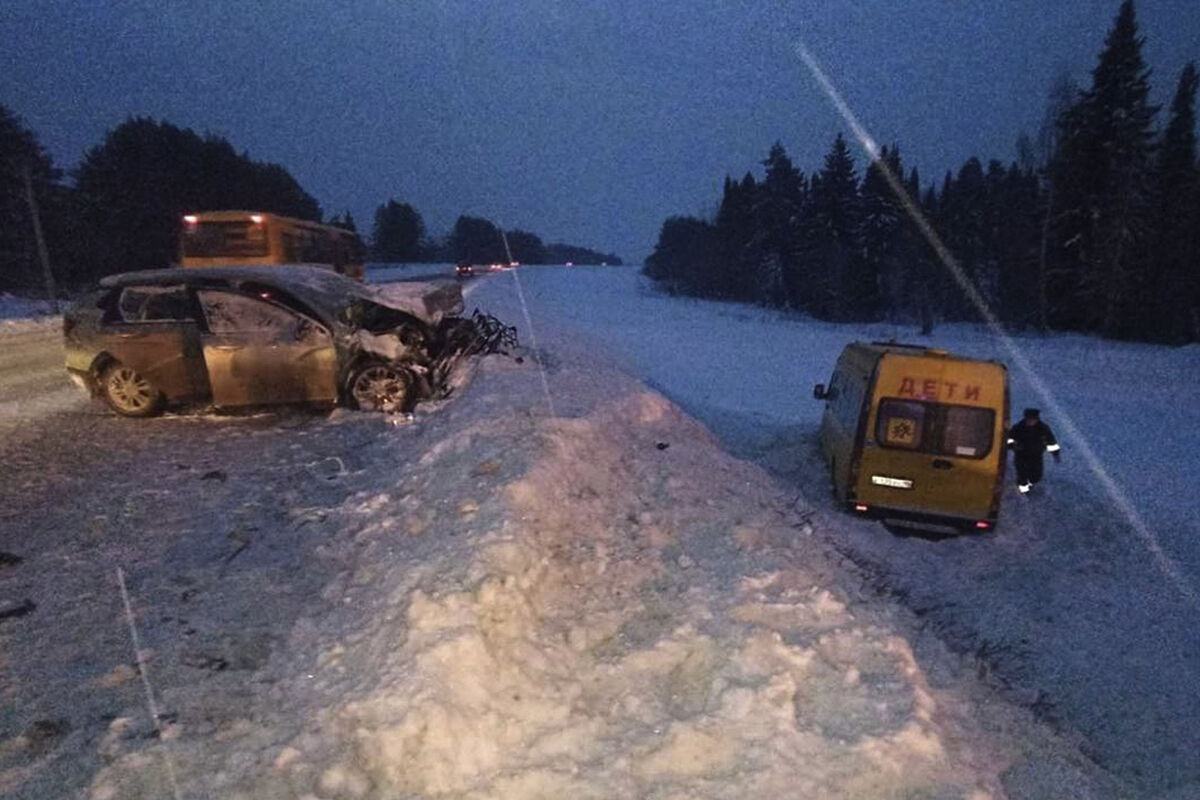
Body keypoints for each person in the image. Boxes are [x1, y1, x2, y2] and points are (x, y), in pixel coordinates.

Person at [1007, 408, 1061, 494]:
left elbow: (1051, 442)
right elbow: (1008, 439)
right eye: (1028, 419)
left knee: (1036, 475)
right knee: (1022, 474)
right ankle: (1024, 490)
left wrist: (1055, 453)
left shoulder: (1043, 429)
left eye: (1032, 419)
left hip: (1036, 455)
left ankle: (1030, 483)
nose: (1030, 422)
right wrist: (1012, 446)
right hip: (1021, 455)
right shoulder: (1018, 428)